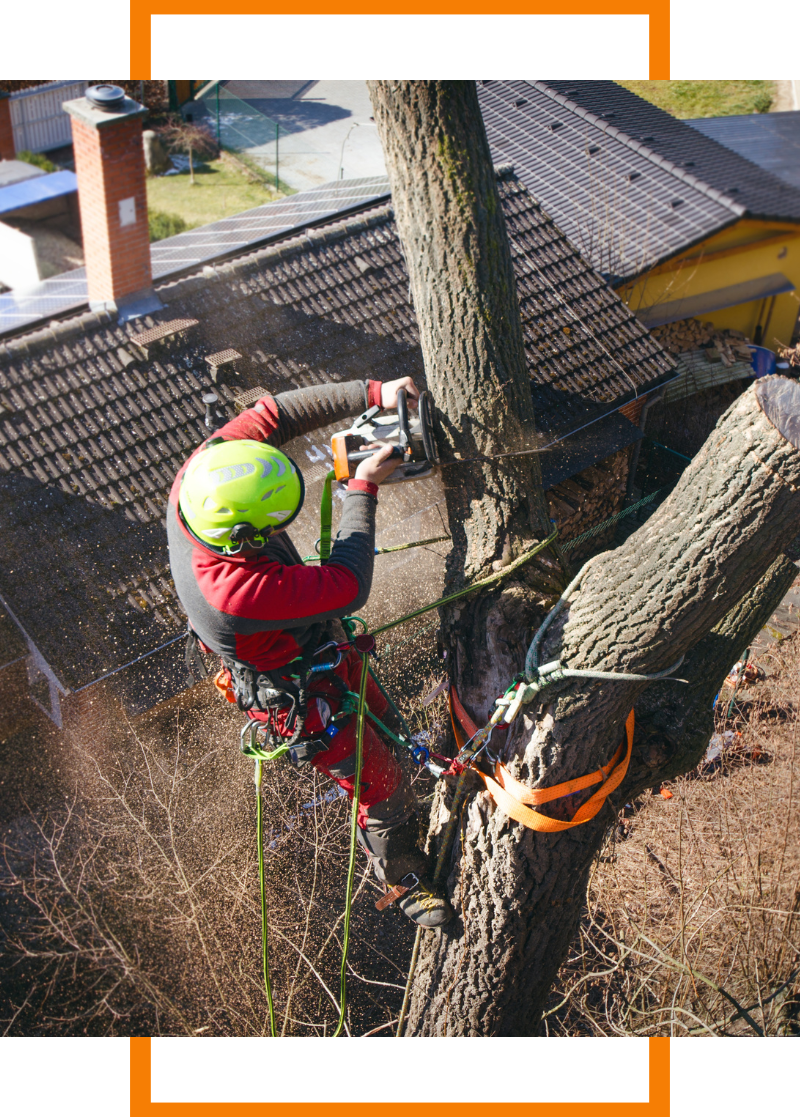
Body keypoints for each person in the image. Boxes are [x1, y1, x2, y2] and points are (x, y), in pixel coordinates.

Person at [167, 376, 454, 928]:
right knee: (377, 779)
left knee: (385, 722)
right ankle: (406, 879)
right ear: (243, 537)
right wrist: (361, 490)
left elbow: (275, 413)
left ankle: (413, 767)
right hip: (297, 691)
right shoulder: (234, 595)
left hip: (321, 645)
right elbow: (348, 581)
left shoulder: (205, 473)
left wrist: (374, 392)